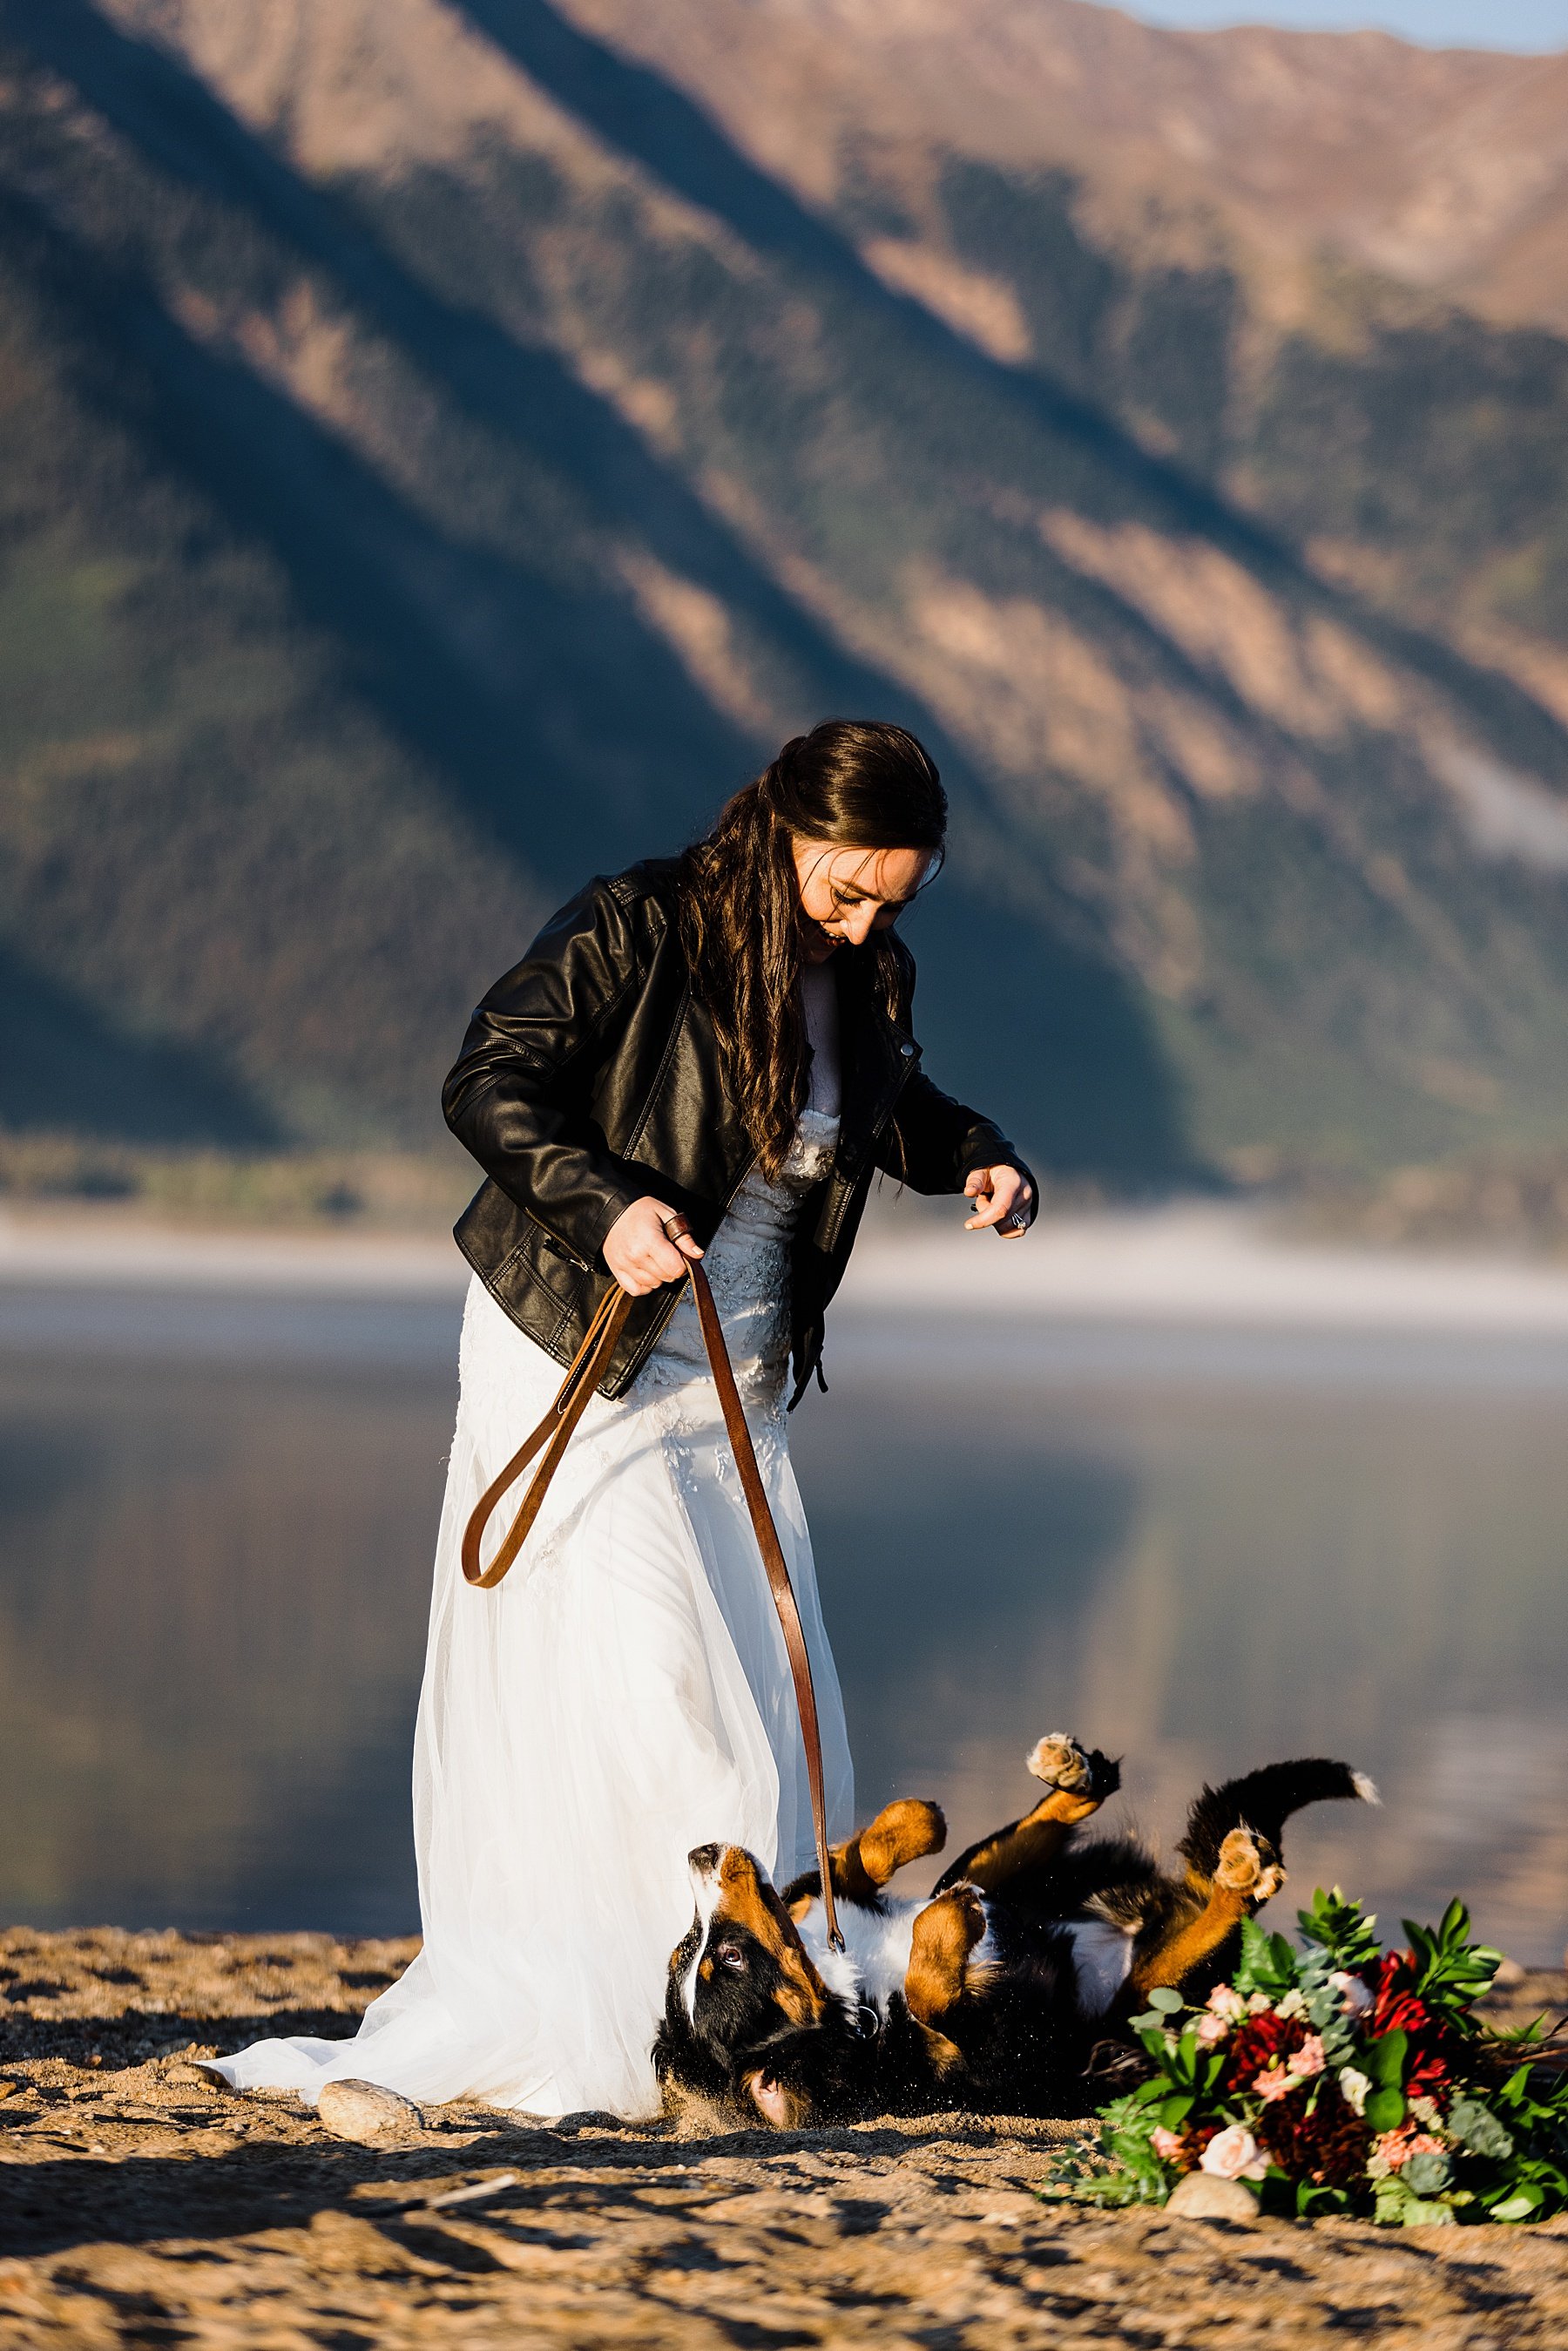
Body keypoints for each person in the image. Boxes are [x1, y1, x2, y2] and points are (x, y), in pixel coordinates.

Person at [213, 719, 1036, 2120]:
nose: (862, 919)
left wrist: (978, 1153)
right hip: (583, 1353)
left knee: (763, 1715)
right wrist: (608, 1206)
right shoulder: (639, 922)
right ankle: (670, 2022)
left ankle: (736, 2015)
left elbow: (884, 1108)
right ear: (784, 825)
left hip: (739, 1385)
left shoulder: (872, 968)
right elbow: (486, 1077)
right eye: (844, 887)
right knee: (669, 1705)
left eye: (895, 896)